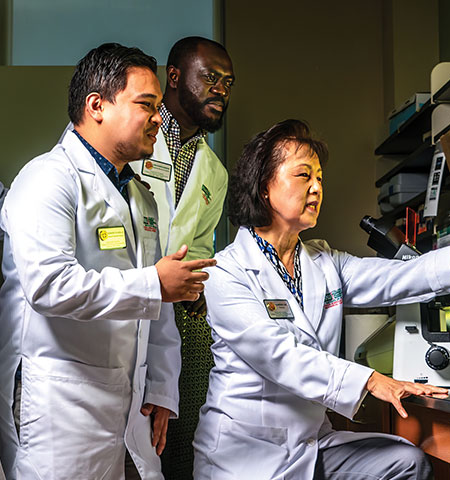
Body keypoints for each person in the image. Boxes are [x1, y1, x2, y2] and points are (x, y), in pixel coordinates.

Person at [192, 119, 450, 479]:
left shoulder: (323, 262)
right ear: (263, 187)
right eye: (303, 175)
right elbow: (281, 357)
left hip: (308, 447)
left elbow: (403, 276)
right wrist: (373, 380)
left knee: (405, 462)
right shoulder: (226, 273)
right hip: (245, 457)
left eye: (320, 178)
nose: (317, 187)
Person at [0, 43, 216, 480]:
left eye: (159, 106)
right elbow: (49, 287)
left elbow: (159, 309)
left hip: (130, 403)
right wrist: (154, 285)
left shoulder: (142, 196)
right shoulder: (47, 179)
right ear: (96, 106)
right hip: (59, 405)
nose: (159, 118)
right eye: (146, 105)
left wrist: (161, 388)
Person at [129, 36, 233, 477]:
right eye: (210, 77)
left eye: (228, 83)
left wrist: (199, 286)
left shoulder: (215, 172)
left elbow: (203, 246)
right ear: (174, 77)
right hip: (125, 303)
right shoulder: (135, 140)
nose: (221, 90)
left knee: (175, 436)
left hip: (173, 318)